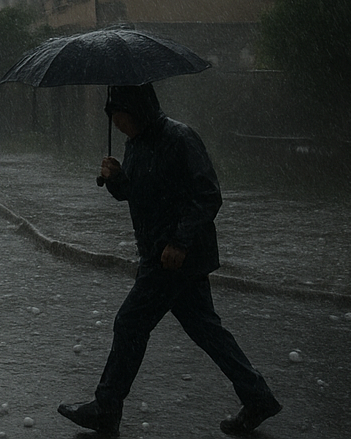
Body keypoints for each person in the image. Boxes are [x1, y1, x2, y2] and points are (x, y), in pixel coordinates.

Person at [58, 83, 282, 437]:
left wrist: (180, 241)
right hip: (157, 254)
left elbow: (208, 194)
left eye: (122, 117)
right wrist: (116, 180)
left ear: (139, 110)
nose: (118, 125)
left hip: (174, 258)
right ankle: (258, 397)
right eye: (113, 120)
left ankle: (106, 407)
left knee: (130, 323)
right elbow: (137, 193)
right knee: (207, 331)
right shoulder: (137, 144)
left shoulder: (180, 138)